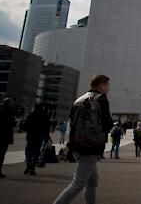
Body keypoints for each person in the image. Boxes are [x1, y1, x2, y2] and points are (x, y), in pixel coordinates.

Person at [53, 74, 113, 204]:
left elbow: (72, 124)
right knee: (78, 183)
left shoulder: (78, 100)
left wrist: (70, 144)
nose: (108, 88)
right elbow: (107, 123)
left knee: (92, 181)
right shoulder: (100, 99)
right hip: (91, 145)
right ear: (102, 85)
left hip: (77, 144)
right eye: (107, 85)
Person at [23, 103, 50, 175]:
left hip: (31, 136)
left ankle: (28, 164)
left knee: (28, 151)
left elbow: (25, 126)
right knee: (36, 152)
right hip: (39, 136)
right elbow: (47, 127)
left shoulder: (31, 115)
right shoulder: (44, 115)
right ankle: (32, 168)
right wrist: (47, 136)